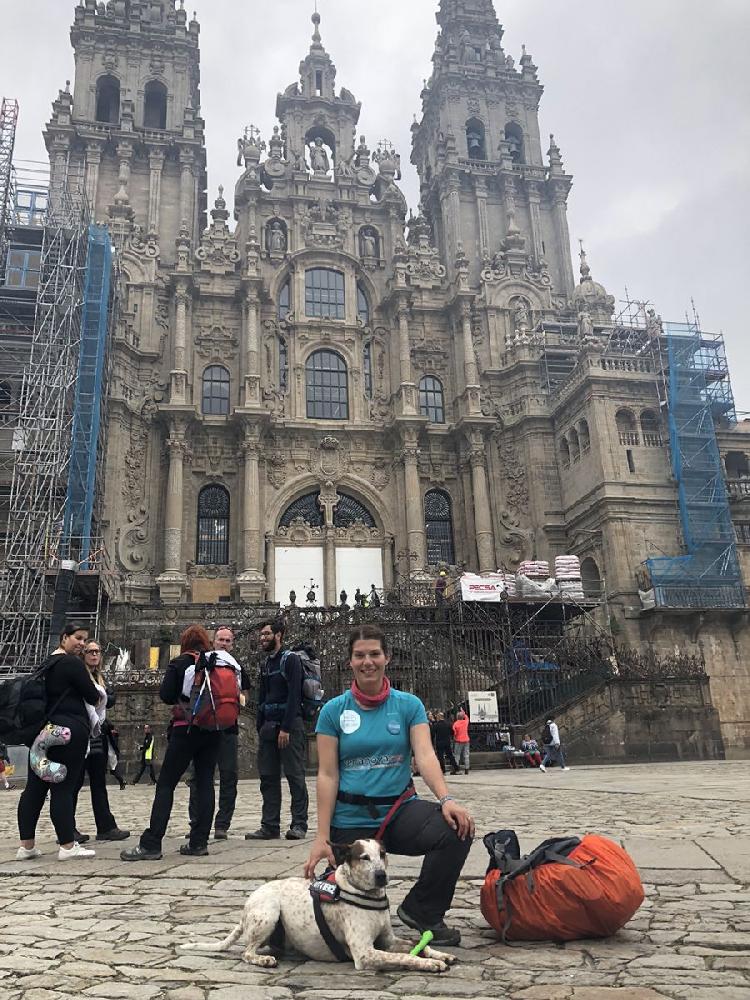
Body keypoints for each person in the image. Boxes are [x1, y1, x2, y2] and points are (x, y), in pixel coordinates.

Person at [304, 624, 474, 946]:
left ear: (387, 657)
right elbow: (327, 774)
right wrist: (322, 837)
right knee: (330, 914)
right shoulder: (333, 711)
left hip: (398, 811)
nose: (367, 662)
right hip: (350, 819)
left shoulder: (409, 705)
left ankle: (423, 910)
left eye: (374, 654)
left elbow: (425, 755)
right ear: (350, 661)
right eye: (359, 655)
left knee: (457, 829)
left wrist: (446, 799)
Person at [121, 625, 228, 861]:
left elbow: (167, 695)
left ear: (184, 642)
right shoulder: (218, 662)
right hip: (213, 730)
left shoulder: (180, 662)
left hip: (185, 729)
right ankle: (198, 842)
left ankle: (152, 843)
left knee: (166, 783)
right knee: (205, 783)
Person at [16, 622, 99, 861]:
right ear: (64, 638)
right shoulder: (72, 663)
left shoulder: (46, 664)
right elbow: (93, 696)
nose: (82, 644)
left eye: (84, 639)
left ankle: (27, 846)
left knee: (35, 788)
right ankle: (67, 845)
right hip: (67, 732)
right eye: (78, 638)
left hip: (44, 733)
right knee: (63, 787)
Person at [245, 619, 309, 842]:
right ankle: (270, 825)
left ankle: (299, 824)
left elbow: (294, 696)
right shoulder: (266, 664)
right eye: (261, 635)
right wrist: (260, 725)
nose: (262, 638)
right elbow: (262, 697)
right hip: (268, 727)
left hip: (288, 727)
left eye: (266, 634)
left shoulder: (291, 660)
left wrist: (287, 728)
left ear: (279, 635)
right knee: (268, 777)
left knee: (295, 775)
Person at [188, 626, 250, 840]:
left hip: (227, 727)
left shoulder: (236, 666)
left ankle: (222, 824)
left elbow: (245, 694)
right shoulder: (203, 661)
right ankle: (196, 822)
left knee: (228, 776)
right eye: (220, 639)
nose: (223, 643)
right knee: (199, 777)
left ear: (232, 644)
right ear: (213, 642)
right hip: (204, 727)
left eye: (227, 640)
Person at [71, 641, 130, 842]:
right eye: (91, 651)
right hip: (81, 734)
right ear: (83, 654)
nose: (95, 655)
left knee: (98, 782)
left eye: (97, 651)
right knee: (75, 782)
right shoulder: (80, 675)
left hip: (98, 735)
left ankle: (106, 826)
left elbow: (109, 699)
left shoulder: (99, 677)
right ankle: (67, 828)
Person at [103, 721, 127, 789]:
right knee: (111, 771)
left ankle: (122, 781)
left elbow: (113, 743)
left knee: (112, 771)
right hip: (108, 754)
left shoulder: (112, 736)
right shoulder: (109, 735)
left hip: (111, 755)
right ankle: (122, 782)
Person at [452, 709, 471, 775]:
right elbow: (467, 717)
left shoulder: (455, 724)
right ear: (462, 717)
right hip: (466, 740)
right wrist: (463, 712)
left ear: (457, 717)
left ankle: (456, 768)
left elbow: (454, 732)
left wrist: (455, 737)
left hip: (458, 741)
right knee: (466, 755)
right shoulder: (465, 722)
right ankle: (467, 769)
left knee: (457, 755)